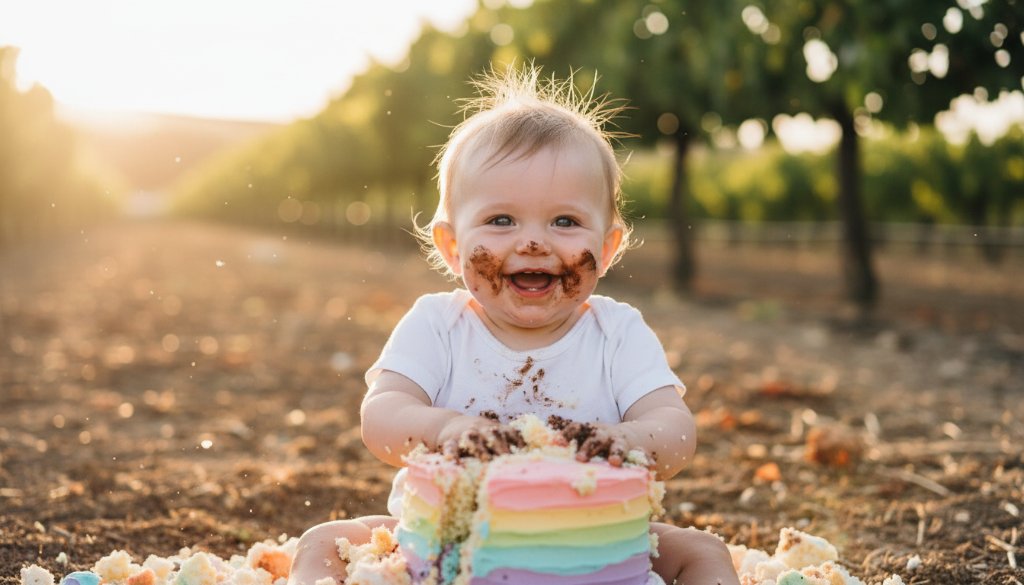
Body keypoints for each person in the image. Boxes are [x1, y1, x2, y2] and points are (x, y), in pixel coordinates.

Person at [288, 65, 740, 585]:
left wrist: (628, 440)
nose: (533, 242)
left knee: (700, 551)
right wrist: (445, 428)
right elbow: (381, 416)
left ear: (607, 248)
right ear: (452, 246)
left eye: (565, 222)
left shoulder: (618, 334)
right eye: (501, 220)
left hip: (592, 551)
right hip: (443, 549)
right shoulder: (438, 325)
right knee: (325, 540)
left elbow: (677, 430)